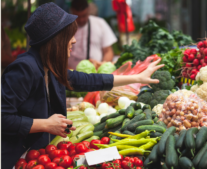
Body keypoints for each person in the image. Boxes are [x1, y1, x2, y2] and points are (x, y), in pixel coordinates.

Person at [1, 3, 163, 168]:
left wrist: (137, 77)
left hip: (39, 156)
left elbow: (90, 80)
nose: (74, 40)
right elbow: (3, 118)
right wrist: (46, 124)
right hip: (16, 159)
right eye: (69, 35)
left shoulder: (50, 66)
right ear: (55, 40)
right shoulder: (24, 68)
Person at [68, 0, 117, 70]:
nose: (81, 20)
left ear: (88, 10)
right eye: (77, 17)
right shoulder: (66, 27)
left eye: (84, 16)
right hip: (70, 74)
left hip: (95, 73)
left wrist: (101, 68)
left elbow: (108, 51)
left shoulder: (100, 23)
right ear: (71, 11)